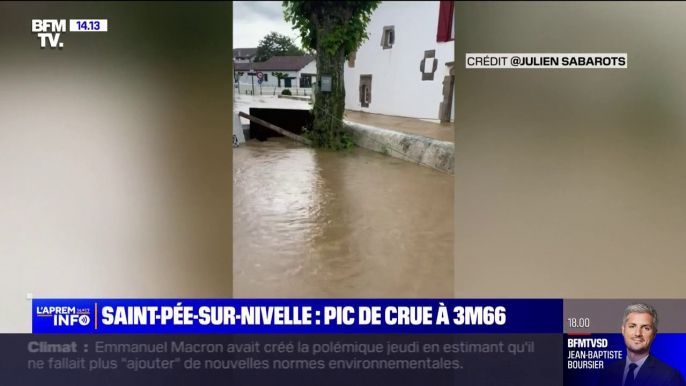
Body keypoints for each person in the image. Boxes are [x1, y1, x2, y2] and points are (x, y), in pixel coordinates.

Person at [598, 303, 685, 386]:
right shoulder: (607, 372)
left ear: (654, 334)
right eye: (632, 326)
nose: (638, 333)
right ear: (623, 330)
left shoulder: (670, 377)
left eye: (646, 328)